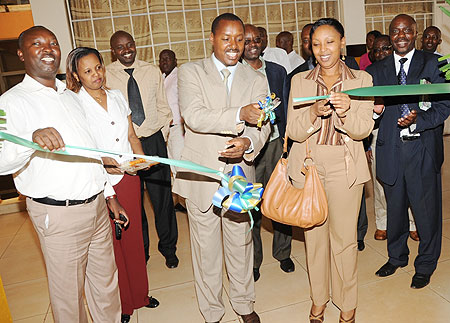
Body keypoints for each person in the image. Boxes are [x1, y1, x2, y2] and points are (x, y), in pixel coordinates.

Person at [0, 26, 127, 323]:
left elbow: (91, 151)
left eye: (53, 43)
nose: (48, 48)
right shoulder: (10, 102)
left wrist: (109, 195)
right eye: (37, 43)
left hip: (95, 206)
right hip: (59, 215)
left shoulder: (70, 95)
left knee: (106, 285)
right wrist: (32, 140)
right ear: (21, 54)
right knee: (69, 297)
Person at [173, 13, 271, 323]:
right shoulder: (190, 72)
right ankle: (212, 311)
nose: (234, 45)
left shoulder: (256, 78)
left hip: (239, 174)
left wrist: (248, 143)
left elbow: (264, 123)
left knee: (240, 244)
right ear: (213, 38)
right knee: (206, 250)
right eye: (226, 38)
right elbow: (194, 116)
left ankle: (244, 304)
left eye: (240, 39)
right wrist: (240, 114)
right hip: (201, 174)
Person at [287, 18, 374, 323]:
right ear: (309, 48)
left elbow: (363, 131)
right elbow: (294, 132)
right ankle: (318, 299)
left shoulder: (362, 80)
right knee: (314, 238)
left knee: (344, 240)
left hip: (344, 165)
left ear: (342, 42)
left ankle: (347, 301)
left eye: (329, 42)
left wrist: (347, 110)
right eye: (315, 44)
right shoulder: (300, 82)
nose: (322, 50)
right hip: (309, 166)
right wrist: (312, 113)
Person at [65, 46, 160, 323]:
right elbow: (90, 147)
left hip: (128, 176)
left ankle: (141, 295)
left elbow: (131, 134)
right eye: (87, 71)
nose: (96, 75)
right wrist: (108, 180)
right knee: (111, 247)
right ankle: (123, 304)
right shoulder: (75, 103)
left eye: (98, 68)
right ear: (76, 75)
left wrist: (141, 160)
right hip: (100, 180)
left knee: (134, 238)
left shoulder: (117, 96)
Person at [366, 14, 450, 289]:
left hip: (422, 147)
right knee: (396, 208)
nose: (401, 35)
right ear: (390, 36)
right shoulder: (377, 70)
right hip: (390, 148)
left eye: (406, 31)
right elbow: (370, 111)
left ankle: (425, 264)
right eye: (395, 31)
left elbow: (444, 105)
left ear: (415, 33)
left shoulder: (435, 63)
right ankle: (397, 256)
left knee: (426, 212)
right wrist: (374, 114)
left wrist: (419, 120)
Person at [106, 30, 179, 269]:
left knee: (162, 200)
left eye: (129, 45)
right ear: (113, 51)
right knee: (134, 202)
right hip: (126, 147)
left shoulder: (151, 71)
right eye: (120, 47)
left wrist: (161, 137)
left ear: (135, 45)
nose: (126, 50)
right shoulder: (106, 75)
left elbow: (163, 106)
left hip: (154, 142)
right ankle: (142, 251)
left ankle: (169, 248)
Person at [241, 24, 295, 282]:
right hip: (248, 149)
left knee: (281, 199)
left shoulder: (277, 70)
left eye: (256, 39)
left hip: (275, 144)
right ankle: (254, 261)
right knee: (251, 205)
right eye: (247, 39)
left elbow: (286, 108)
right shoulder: (234, 73)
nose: (252, 43)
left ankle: (283, 252)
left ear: (263, 42)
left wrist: (286, 140)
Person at [367, 35, 418, 241]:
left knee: (410, 180)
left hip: (407, 130)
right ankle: (383, 222)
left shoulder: (406, 69)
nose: (381, 54)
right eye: (376, 50)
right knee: (380, 181)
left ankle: (413, 222)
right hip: (378, 132)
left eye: (385, 48)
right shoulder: (369, 75)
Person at [159, 49, 185, 211]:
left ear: (175, 60)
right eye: (162, 60)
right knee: (173, 168)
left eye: (168, 59)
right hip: (166, 130)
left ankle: (188, 202)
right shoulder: (162, 78)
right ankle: (180, 202)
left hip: (178, 128)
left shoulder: (179, 77)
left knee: (181, 166)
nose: (165, 62)